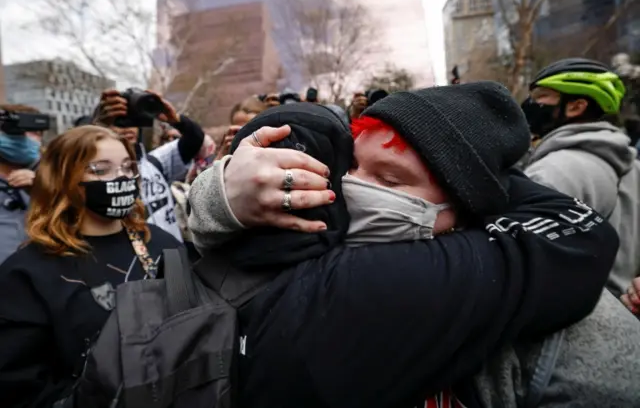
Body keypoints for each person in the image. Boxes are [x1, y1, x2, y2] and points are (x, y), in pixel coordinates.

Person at [188, 84, 618, 407]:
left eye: (391, 180)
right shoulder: (297, 234)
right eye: (352, 165)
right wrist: (223, 192)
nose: (354, 186)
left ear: (462, 212)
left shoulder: (381, 285)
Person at [0, 125, 183, 408]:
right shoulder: (27, 273)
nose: (121, 177)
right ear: (64, 179)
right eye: (100, 169)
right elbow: (19, 386)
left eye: (127, 167)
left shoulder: (162, 243)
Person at [520, 58, 640, 302]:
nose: (531, 105)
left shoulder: (551, 172)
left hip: (571, 327)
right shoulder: (633, 166)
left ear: (576, 107)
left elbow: (520, 265)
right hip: (623, 320)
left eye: (542, 96)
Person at [95, 89, 205, 242]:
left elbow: (194, 139)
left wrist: (175, 120)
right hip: (134, 257)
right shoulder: (95, 173)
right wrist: (97, 127)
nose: (127, 128)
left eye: (133, 120)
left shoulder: (155, 162)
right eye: (120, 121)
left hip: (172, 253)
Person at [0, 104, 42, 264]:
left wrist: (43, 190)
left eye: (37, 132)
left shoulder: (55, 177)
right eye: (17, 130)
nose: (31, 138)